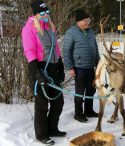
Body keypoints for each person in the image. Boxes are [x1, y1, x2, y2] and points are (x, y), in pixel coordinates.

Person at [21, 1, 66, 145]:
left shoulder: (50, 28)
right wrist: (37, 74)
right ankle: (41, 135)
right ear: (35, 14)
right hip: (39, 68)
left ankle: (52, 128)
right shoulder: (28, 29)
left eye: (47, 12)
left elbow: (56, 48)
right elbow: (29, 51)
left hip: (53, 68)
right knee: (42, 104)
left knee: (58, 101)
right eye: (42, 13)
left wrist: (60, 66)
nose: (46, 15)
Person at [63, 9, 100, 123]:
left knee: (91, 90)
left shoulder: (90, 32)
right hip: (79, 68)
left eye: (89, 20)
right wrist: (70, 67)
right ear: (79, 21)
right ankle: (78, 114)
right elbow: (66, 51)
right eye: (85, 20)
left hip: (90, 67)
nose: (88, 22)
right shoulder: (71, 32)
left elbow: (95, 48)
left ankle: (89, 110)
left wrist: (98, 64)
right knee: (80, 91)